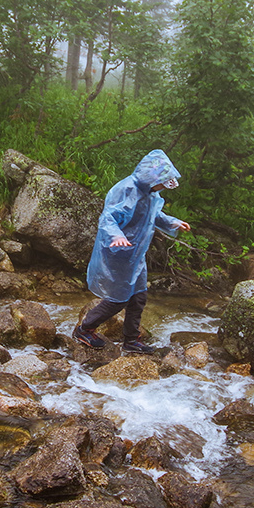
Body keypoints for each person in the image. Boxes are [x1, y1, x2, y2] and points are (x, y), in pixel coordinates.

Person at [72, 149, 191, 354]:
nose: (166, 185)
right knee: (118, 299)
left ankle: (131, 339)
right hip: (118, 253)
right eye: (164, 181)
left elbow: (154, 216)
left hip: (136, 254)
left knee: (138, 297)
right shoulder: (127, 189)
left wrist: (173, 222)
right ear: (153, 177)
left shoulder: (151, 193)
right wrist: (117, 236)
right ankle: (85, 329)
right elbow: (108, 218)